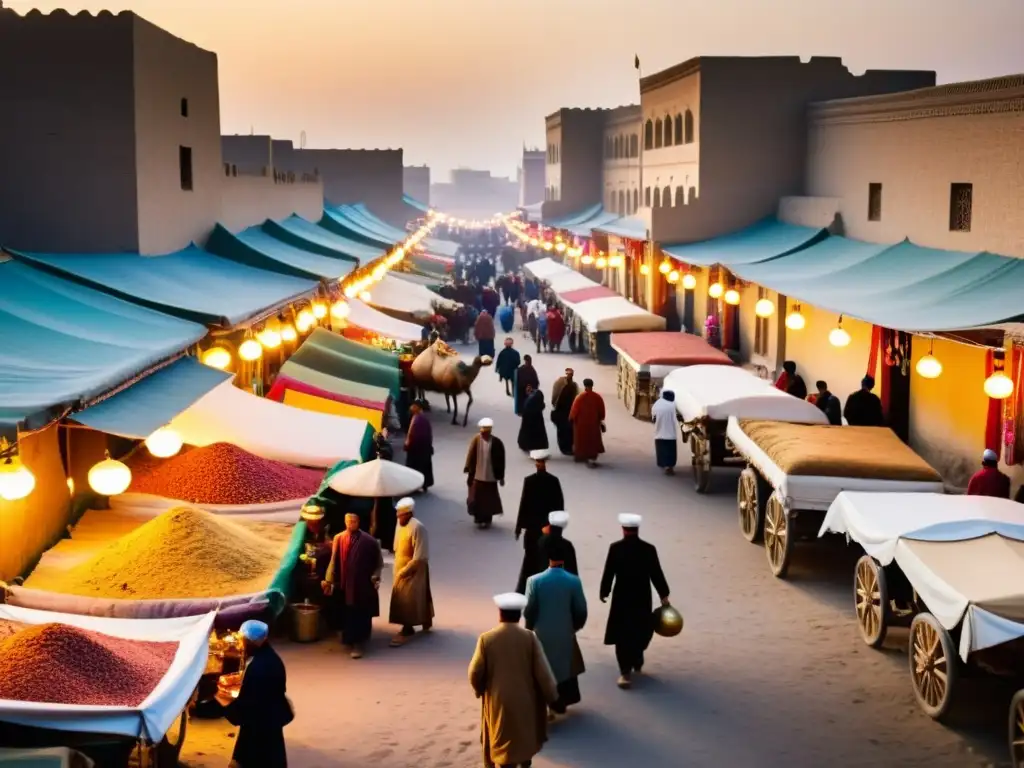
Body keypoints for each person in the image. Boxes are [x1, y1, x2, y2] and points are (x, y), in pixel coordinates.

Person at [468, 593, 559, 768]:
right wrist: (552, 697)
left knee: (503, 745)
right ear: (519, 616)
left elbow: (474, 671)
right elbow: (544, 673)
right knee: (524, 742)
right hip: (526, 700)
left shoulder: (486, 639)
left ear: (500, 614)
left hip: (498, 701)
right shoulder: (530, 638)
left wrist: (480, 689)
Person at [599, 514, 670, 689]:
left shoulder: (615, 548)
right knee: (640, 629)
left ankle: (625, 672)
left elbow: (609, 572)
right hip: (642, 597)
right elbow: (656, 574)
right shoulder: (648, 549)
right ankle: (637, 661)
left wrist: (604, 591)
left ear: (623, 529)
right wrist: (664, 595)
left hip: (622, 598)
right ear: (637, 529)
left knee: (623, 634)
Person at [524, 538, 588, 715]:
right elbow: (581, 610)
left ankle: (543, 705)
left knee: (542, 668)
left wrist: (530, 628)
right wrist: (575, 627)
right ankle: (559, 703)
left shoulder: (534, 581)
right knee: (563, 668)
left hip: (541, 632)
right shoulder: (573, 581)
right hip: (565, 633)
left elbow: (529, 610)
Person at [219, 620, 293, 768]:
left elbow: (249, 706)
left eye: (243, 640)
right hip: (271, 720)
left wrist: (225, 703)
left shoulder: (259, 668)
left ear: (251, 642)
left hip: (259, 727)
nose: (241, 644)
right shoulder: (271, 658)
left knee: (256, 758)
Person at [324, 513, 384, 658]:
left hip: (362, 585)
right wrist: (329, 579)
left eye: (354, 521)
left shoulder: (369, 541)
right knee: (346, 613)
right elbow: (333, 561)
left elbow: (379, 563)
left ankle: (359, 644)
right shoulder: (339, 538)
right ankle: (348, 639)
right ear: (345, 522)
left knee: (360, 614)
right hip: (344, 584)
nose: (351, 524)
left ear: (359, 522)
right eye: (349, 521)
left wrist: (375, 577)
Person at [514, 451, 565, 594]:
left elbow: (524, 504)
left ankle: (526, 589)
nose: (540, 464)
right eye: (539, 462)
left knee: (532, 560)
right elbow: (524, 503)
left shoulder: (531, 481)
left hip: (536, 528)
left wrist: (520, 526)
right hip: (543, 527)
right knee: (539, 560)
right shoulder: (551, 481)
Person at [388, 497, 434, 647]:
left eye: (402, 515)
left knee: (408, 598)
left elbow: (420, 555)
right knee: (410, 597)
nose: (398, 517)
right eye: (398, 514)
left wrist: (405, 571)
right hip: (400, 565)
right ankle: (421, 621)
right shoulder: (399, 524)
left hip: (414, 568)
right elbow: (396, 546)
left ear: (409, 514)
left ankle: (407, 628)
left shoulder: (418, 528)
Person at [464, 417, 507, 529]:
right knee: (478, 499)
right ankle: (478, 518)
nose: (483, 435)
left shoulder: (497, 443)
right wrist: (468, 470)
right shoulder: (476, 440)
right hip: (478, 475)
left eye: (486, 433)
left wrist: (501, 477)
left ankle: (487, 519)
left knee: (488, 500)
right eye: (482, 432)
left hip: (490, 476)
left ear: (490, 432)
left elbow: (501, 461)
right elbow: (471, 456)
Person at [569, 378, 606, 467]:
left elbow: (574, 411)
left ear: (584, 386)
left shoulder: (580, 397)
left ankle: (581, 456)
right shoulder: (597, 397)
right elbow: (602, 411)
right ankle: (592, 456)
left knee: (581, 439)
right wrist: (600, 419)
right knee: (592, 439)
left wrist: (571, 418)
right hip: (593, 423)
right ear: (592, 386)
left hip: (581, 424)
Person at [404, 400, 434, 493]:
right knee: (423, 466)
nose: (411, 408)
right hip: (424, 448)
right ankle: (424, 484)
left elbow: (411, 434)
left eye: (413, 406)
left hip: (416, 449)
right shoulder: (422, 419)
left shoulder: (417, 419)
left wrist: (407, 444)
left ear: (417, 407)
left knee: (415, 467)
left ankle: (415, 485)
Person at [550, 368, 579, 456]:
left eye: (571, 375)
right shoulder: (560, 384)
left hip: (569, 412)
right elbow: (555, 397)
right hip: (562, 412)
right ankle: (564, 448)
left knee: (569, 431)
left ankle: (568, 448)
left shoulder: (573, 385)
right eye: (569, 374)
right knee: (563, 431)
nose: (570, 376)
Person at [651, 389, 679, 475]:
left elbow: (653, 419)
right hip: (671, 434)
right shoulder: (673, 406)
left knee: (662, 451)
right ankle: (669, 467)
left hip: (659, 433)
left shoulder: (656, 405)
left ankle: (664, 465)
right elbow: (676, 419)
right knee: (670, 452)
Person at [517, 385, 549, 453]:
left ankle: (528, 446)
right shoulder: (538, 394)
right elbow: (542, 406)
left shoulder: (528, 402)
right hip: (537, 418)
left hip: (529, 420)